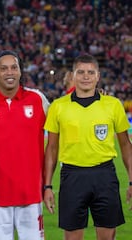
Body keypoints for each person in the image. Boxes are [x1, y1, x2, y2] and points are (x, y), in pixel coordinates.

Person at [43, 54, 132, 240]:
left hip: (105, 175)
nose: (86, 76)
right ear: (73, 75)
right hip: (72, 176)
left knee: (107, 237)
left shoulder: (113, 105)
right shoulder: (58, 107)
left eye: (91, 72)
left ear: (98, 76)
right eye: (81, 72)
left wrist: (131, 181)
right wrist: (48, 185)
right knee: (73, 237)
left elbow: (125, 145)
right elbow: (51, 148)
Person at [0, 50, 50, 240]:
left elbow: (65, 117)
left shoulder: (37, 99)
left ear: (20, 71)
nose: (10, 72)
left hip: (31, 193)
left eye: (14, 67)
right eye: (4, 68)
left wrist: (95, 96)